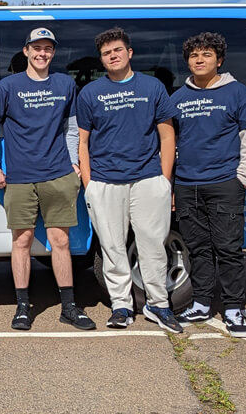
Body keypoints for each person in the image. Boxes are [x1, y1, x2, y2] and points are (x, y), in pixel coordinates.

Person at [0, 27, 95, 331]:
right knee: (22, 241)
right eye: (37, 48)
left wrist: (72, 161)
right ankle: (22, 306)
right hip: (19, 178)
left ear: (53, 52)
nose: (42, 53)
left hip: (58, 175)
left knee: (60, 240)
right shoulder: (8, 86)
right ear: (27, 51)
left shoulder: (64, 84)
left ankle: (69, 307)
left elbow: (72, 128)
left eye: (48, 48)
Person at [76, 27, 182, 333]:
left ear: (129, 53)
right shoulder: (91, 93)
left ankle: (158, 305)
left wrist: (164, 180)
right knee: (112, 247)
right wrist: (89, 185)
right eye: (107, 53)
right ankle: (121, 305)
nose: (112, 56)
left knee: (152, 244)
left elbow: (167, 134)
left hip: (148, 179)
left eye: (117, 50)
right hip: (105, 182)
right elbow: (82, 142)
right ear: (102, 59)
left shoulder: (152, 87)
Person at [169, 32, 246, 337]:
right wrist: (171, 182)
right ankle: (201, 302)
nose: (199, 60)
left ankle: (234, 308)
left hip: (224, 182)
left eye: (207, 55)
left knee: (229, 248)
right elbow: (172, 142)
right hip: (186, 184)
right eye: (194, 55)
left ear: (219, 60)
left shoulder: (237, 93)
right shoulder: (178, 98)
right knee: (197, 248)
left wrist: (242, 177)